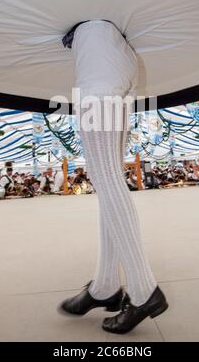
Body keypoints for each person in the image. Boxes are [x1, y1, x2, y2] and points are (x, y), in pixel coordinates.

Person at [59, 20, 168, 334]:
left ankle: (144, 289)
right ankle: (105, 286)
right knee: (108, 177)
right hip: (111, 68)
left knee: (105, 175)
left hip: (99, 76)